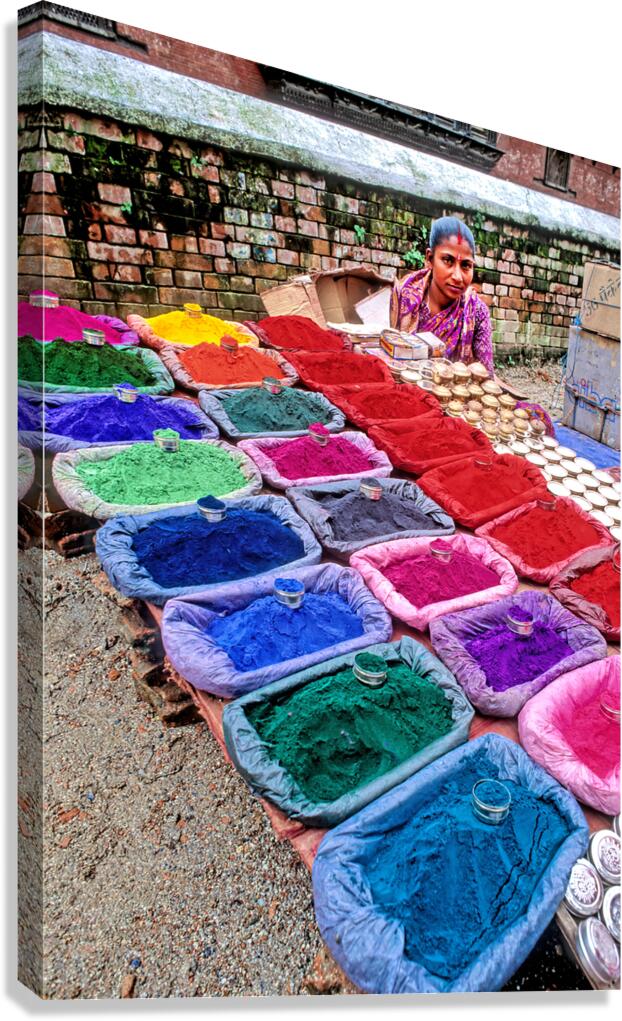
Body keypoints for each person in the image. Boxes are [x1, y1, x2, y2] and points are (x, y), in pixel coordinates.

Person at [390, 215, 494, 374]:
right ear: (430, 258)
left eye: (466, 265)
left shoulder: (476, 311)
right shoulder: (404, 295)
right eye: (447, 260)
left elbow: (487, 377)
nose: (458, 277)